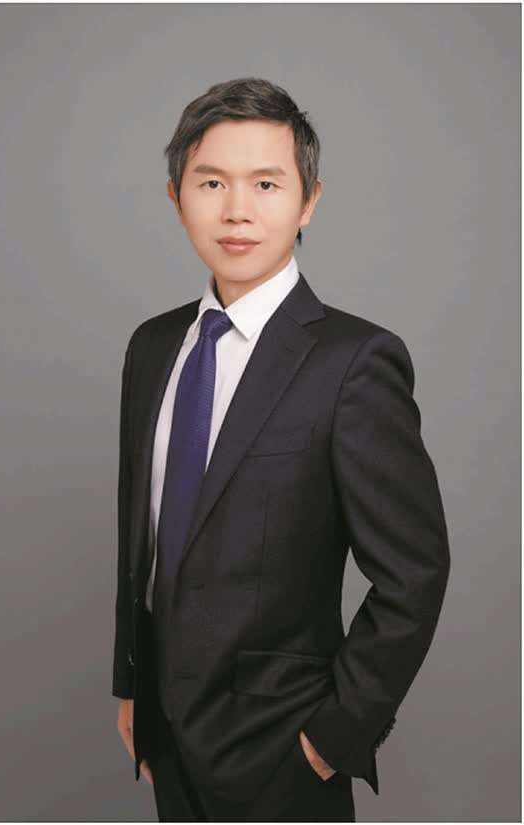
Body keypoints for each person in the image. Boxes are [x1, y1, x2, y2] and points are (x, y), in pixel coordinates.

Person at [112, 77, 451, 822]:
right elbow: (141, 541)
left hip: (283, 746)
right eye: (211, 182)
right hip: (165, 733)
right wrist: (130, 682)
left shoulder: (353, 361)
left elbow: (414, 574)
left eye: (266, 184)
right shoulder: (153, 346)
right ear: (176, 197)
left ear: (308, 202)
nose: (237, 210)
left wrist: (334, 737)